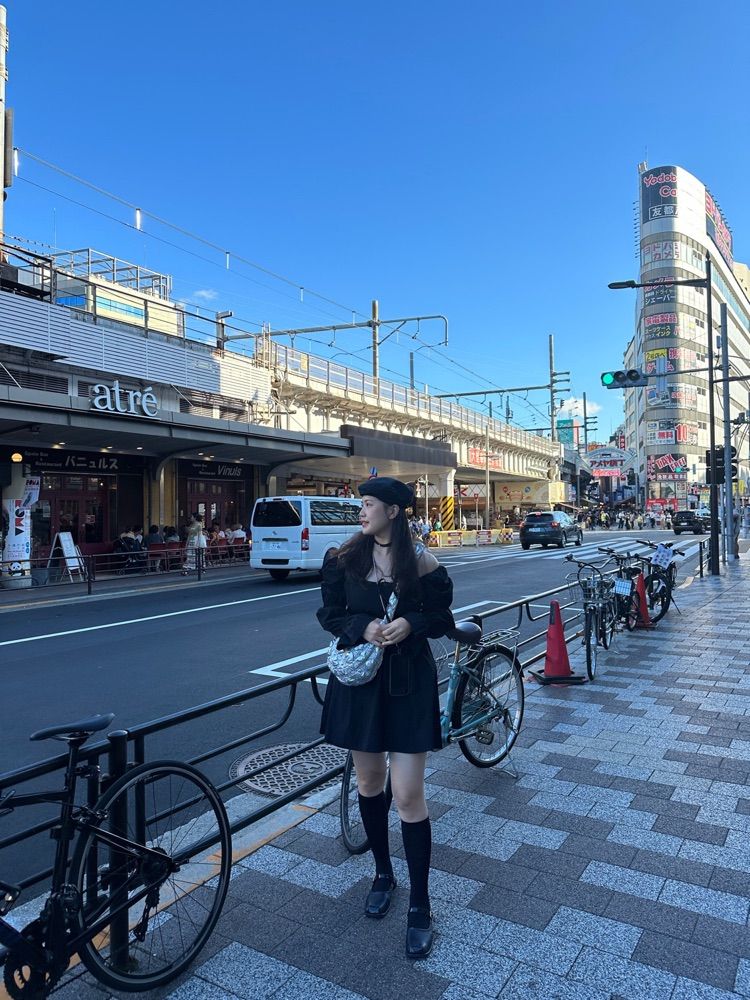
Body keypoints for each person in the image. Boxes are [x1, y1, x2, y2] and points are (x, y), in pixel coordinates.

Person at [317, 477, 455, 960]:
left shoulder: (421, 561)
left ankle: (421, 904)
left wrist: (411, 623)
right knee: (369, 782)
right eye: (361, 504)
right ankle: (382, 873)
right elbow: (329, 615)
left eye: (369, 504)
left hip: (408, 684)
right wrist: (364, 626)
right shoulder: (343, 559)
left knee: (409, 794)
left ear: (393, 511)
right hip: (361, 685)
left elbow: (442, 617)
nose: (361, 512)